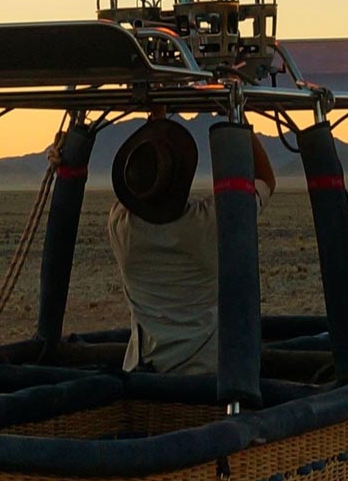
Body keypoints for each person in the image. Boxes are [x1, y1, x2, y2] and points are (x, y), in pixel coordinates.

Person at [107, 109, 276, 376]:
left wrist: (155, 125)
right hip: (206, 376)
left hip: (143, 374)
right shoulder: (210, 224)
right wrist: (238, 118)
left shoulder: (121, 227)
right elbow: (265, 179)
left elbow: (134, 190)